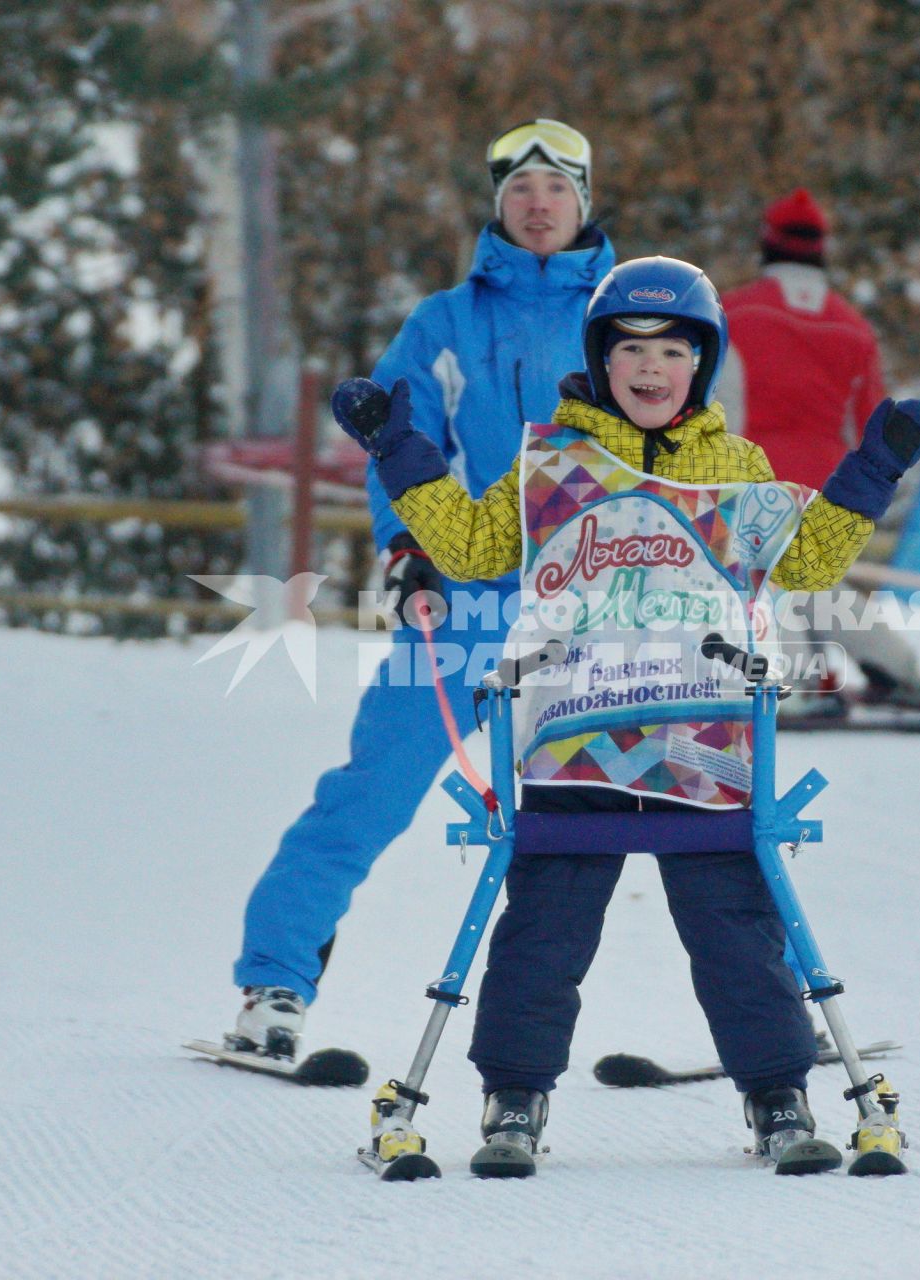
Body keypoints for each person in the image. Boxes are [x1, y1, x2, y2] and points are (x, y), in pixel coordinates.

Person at [333, 256, 920, 1174]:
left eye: (671, 350)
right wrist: (399, 450)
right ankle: (515, 1099)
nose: (650, 368)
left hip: (703, 741)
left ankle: (777, 1096)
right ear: (600, 357)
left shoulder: (737, 472)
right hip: (576, 738)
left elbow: (811, 562)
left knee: (736, 921)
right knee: (546, 923)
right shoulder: (554, 463)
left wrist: (873, 466)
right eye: (630, 349)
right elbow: (466, 545)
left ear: (700, 363)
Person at [227, 120, 616, 1061]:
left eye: (555, 191)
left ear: (584, 203)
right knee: (374, 792)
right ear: (497, 207)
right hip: (470, 603)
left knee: (670, 800)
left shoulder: (625, 318)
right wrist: (410, 552)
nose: (537, 206)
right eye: (519, 191)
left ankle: (764, 1012)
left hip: (598, 609)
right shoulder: (444, 323)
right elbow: (400, 446)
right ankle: (273, 987)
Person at [718, 188, 920, 713]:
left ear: (767, 244)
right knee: (823, 587)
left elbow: (720, 407)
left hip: (755, 482)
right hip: (831, 486)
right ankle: (901, 671)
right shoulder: (855, 328)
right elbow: (874, 424)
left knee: (768, 587)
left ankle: (798, 680)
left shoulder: (733, 313)